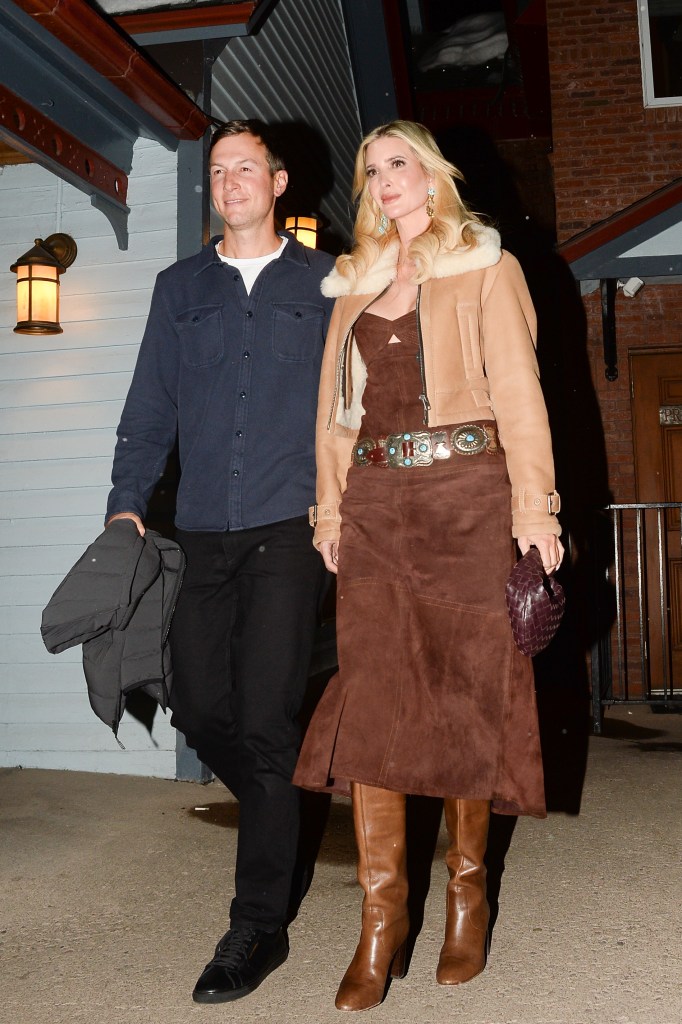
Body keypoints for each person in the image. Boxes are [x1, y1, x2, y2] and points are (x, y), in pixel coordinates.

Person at [293, 120, 564, 1011]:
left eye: (397, 163)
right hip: (375, 506)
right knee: (374, 698)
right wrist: (330, 511)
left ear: (432, 174)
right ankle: (381, 918)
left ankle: (465, 895)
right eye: (372, 170)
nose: (383, 179)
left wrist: (536, 511)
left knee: (459, 697)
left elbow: (520, 395)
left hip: (465, 497)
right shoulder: (352, 287)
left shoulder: (486, 265)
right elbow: (335, 420)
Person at [106, 119, 335, 1003]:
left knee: (269, 720)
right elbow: (149, 403)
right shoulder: (179, 288)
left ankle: (256, 924)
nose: (229, 180)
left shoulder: (324, 284)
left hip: (289, 524)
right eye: (217, 170)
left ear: (279, 184)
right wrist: (127, 503)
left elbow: (356, 401)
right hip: (202, 526)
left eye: (246, 167)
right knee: (199, 704)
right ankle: (284, 802)